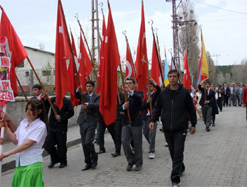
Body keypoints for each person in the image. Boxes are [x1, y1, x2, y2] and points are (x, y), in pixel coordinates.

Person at [149, 69, 196, 187]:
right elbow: (157, 108)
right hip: (167, 128)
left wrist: (193, 124)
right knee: (173, 153)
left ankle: (175, 179)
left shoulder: (185, 92)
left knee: (178, 152)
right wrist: (152, 120)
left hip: (181, 128)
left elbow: (191, 109)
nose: (172, 78)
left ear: (178, 78)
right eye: (170, 76)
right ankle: (181, 166)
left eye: (174, 76)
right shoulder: (163, 93)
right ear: (168, 78)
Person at [0, 99, 47, 187]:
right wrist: (6, 127)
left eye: (31, 110)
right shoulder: (24, 122)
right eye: (27, 109)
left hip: (32, 163)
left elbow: (27, 144)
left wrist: (8, 153)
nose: (28, 112)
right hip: (21, 163)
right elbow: (16, 140)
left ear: (39, 111)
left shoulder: (41, 126)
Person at [75, 80, 99, 171]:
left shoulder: (97, 96)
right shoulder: (83, 95)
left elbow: (98, 104)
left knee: (88, 142)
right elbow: (77, 96)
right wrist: (78, 90)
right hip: (82, 121)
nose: (88, 88)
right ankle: (87, 162)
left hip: (91, 122)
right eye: (87, 86)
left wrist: (88, 105)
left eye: (90, 86)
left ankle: (94, 157)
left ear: (93, 87)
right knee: (84, 144)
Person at [44, 95, 74, 169]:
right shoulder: (52, 99)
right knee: (47, 144)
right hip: (52, 126)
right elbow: (44, 105)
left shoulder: (66, 101)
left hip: (61, 126)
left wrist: (62, 117)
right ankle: (55, 159)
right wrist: (45, 98)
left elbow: (71, 112)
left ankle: (63, 161)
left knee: (61, 145)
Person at [121, 77, 143, 171]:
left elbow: (139, 99)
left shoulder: (138, 93)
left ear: (134, 84)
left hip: (136, 122)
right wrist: (123, 107)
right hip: (126, 122)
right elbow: (118, 107)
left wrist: (130, 92)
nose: (128, 85)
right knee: (124, 141)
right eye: (126, 83)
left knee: (137, 143)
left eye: (130, 83)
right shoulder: (122, 95)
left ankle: (138, 163)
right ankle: (131, 160)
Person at [142, 77, 161, 159]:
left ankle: (152, 151)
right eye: (148, 86)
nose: (149, 88)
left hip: (153, 117)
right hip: (145, 117)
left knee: (152, 134)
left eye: (151, 86)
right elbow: (142, 106)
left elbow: (160, 90)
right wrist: (147, 102)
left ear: (153, 87)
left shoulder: (156, 94)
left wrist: (155, 83)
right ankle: (151, 143)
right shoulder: (144, 96)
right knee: (145, 133)